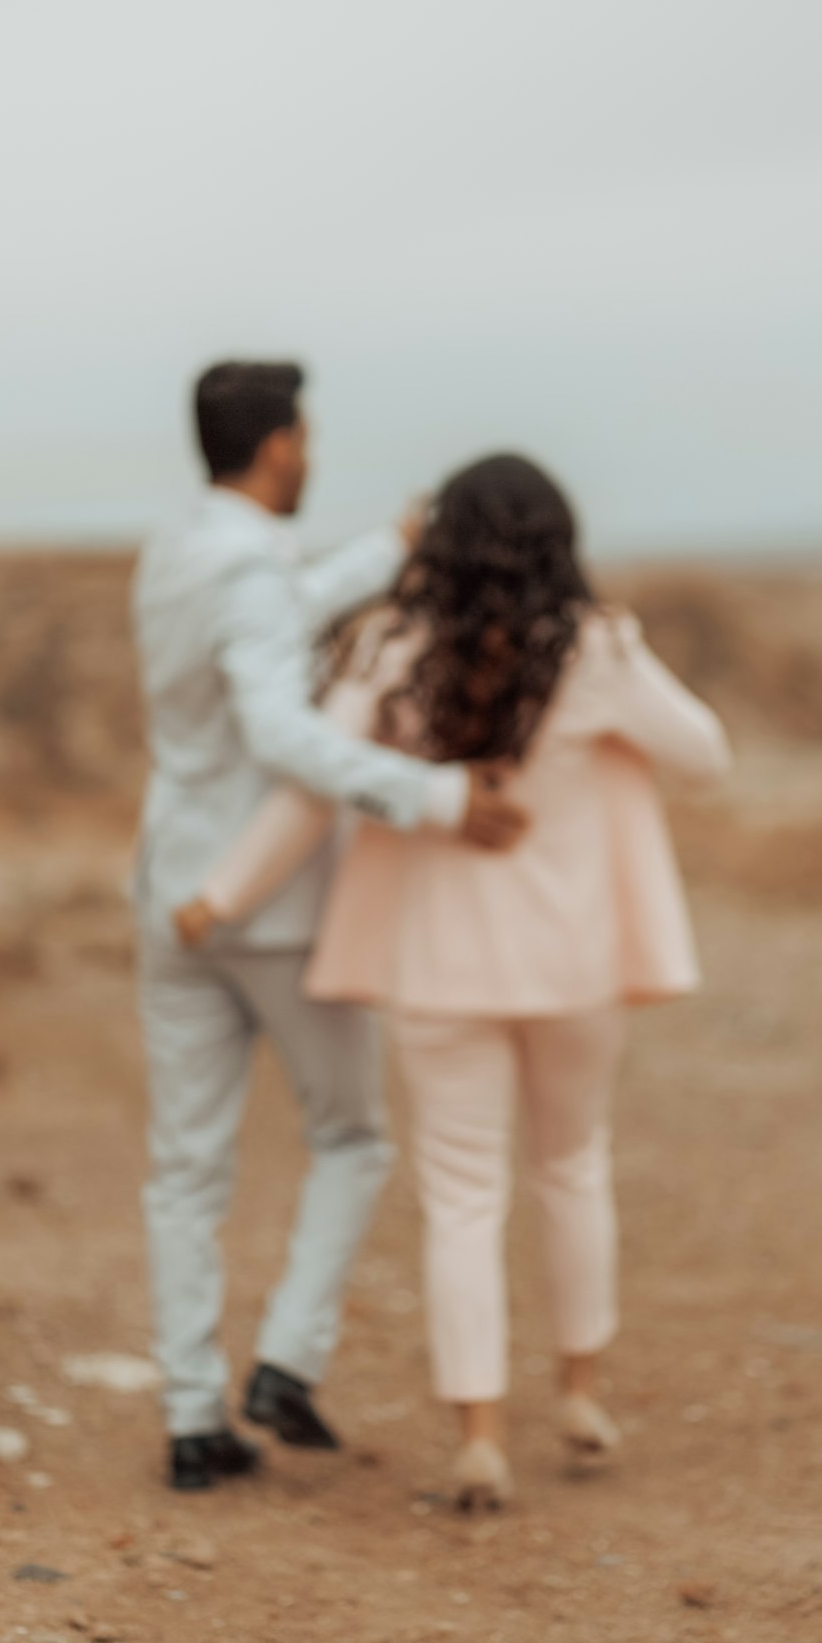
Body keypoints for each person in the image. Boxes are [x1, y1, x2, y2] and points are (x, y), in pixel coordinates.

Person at [175, 453, 731, 1507]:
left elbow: (311, 791)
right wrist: (610, 716)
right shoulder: (596, 646)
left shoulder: (390, 645)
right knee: (572, 1164)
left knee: (461, 1197)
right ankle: (578, 1390)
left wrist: (222, 894)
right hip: (573, 962)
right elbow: (703, 754)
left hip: (436, 968)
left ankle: (478, 1434)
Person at [132, 364, 526, 1491]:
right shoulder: (252, 571)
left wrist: (384, 549)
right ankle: (287, 1364)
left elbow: (275, 607)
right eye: (303, 434)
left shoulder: (176, 550)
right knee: (351, 1139)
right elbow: (280, 726)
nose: (309, 452)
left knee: (184, 1170)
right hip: (274, 906)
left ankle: (193, 1415)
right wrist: (436, 795)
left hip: (171, 888)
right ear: (275, 446)